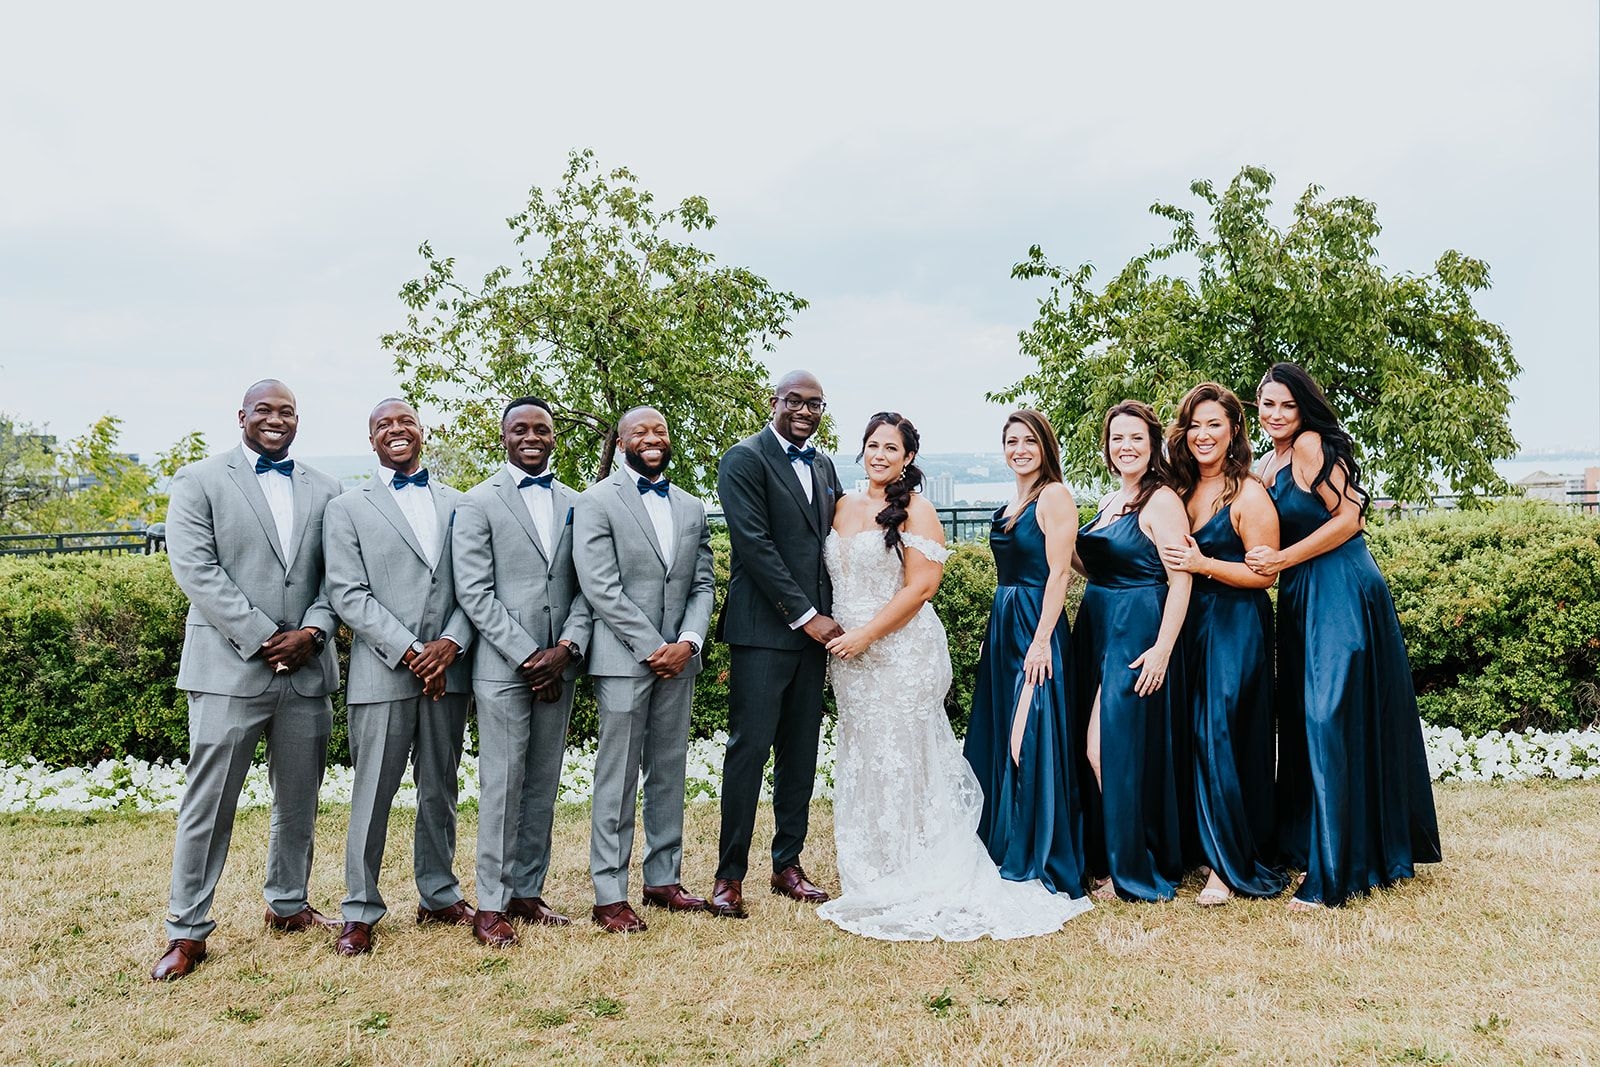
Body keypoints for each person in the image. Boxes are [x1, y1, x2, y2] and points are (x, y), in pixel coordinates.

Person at [816, 413, 1091, 940]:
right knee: (868, 751)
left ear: (908, 458)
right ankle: (876, 860)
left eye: (890, 448)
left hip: (898, 648)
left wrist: (865, 635)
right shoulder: (842, 505)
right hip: (851, 656)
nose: (879, 455)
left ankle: (924, 857)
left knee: (914, 750)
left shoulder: (919, 510)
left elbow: (921, 589)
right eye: (871, 445)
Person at [152, 379, 342, 981]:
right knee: (208, 805)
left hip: (307, 671)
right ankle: (187, 930)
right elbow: (196, 569)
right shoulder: (199, 481)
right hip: (229, 670)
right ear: (242, 416)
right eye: (264, 409)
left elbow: (339, 577)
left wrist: (310, 635)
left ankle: (287, 904)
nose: (276, 418)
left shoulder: (328, 489)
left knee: (299, 800)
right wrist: (265, 637)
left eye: (287, 410)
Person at [1246, 362, 1441, 910]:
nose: (1276, 414)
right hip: (1302, 594)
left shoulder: (1310, 445)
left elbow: (1351, 516)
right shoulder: (1269, 462)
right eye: (1267, 404)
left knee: (1326, 714)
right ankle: (1318, 842)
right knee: (1307, 713)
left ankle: (1335, 871)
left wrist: (1282, 557)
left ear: (1303, 406)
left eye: (1286, 404)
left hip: (1341, 586)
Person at [321, 398, 476, 956]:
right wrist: (414, 651)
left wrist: (450, 645)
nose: (395, 430)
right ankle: (360, 910)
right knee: (373, 794)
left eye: (404, 420)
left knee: (441, 787)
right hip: (383, 672)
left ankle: (438, 893)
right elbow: (347, 593)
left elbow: (474, 586)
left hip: (449, 673)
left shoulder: (461, 504)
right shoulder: (347, 508)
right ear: (371, 440)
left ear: (422, 431)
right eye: (383, 424)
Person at [452, 396, 592, 946]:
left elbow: (588, 585)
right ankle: (490, 904)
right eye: (520, 429)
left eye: (541, 429)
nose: (531, 436)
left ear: (554, 437)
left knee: (542, 782)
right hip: (503, 667)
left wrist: (567, 647)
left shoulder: (578, 503)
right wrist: (530, 657)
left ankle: (527, 891)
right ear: (504, 437)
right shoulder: (477, 503)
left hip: (562, 661)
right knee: (503, 784)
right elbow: (474, 592)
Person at [573, 406, 716, 933]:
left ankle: (663, 879)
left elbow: (703, 583)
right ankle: (609, 894)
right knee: (617, 776)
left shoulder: (691, 506)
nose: (652, 438)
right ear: (621, 441)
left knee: (669, 768)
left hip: (680, 660)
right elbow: (599, 585)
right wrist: (652, 645)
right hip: (621, 660)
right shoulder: (595, 502)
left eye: (660, 429)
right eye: (640, 431)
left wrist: (688, 642)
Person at [711, 370, 843, 919]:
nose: (806, 411)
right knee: (749, 751)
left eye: (816, 404)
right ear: (775, 403)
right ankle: (729, 875)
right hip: (765, 633)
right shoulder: (744, 459)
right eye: (796, 401)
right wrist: (808, 616)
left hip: (818, 640)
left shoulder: (825, 464)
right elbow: (756, 547)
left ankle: (788, 863)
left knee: (801, 753)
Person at [1158, 383, 1287, 905]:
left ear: (1235, 430)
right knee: (1189, 734)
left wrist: (1204, 564)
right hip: (1188, 623)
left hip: (1235, 625)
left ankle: (1225, 863)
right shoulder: (1177, 489)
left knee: (1222, 736)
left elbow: (1266, 575)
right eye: (1195, 425)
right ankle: (1198, 842)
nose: (1204, 434)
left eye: (1215, 424)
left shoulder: (1248, 493)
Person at [962, 410, 1087, 897]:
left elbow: (1060, 573)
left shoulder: (1054, 495)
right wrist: (995, 630)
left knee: (1028, 735)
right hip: (1005, 626)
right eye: (1011, 441)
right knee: (1001, 733)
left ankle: (1038, 848)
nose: (1019, 449)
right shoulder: (1011, 502)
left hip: (1039, 627)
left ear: (1045, 447)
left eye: (1029, 441)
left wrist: (1041, 639)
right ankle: (1007, 837)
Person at [1073, 400, 1192, 903]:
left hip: (1137, 628)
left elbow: (1181, 578)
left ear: (1153, 445)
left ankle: (1133, 867)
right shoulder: (1108, 500)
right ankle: (1104, 861)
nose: (1126, 447)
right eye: (1117, 438)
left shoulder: (1161, 500)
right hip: (1097, 626)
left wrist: (1163, 649)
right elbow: (1093, 564)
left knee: (1109, 750)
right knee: (1096, 748)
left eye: (1137, 439)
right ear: (1107, 447)